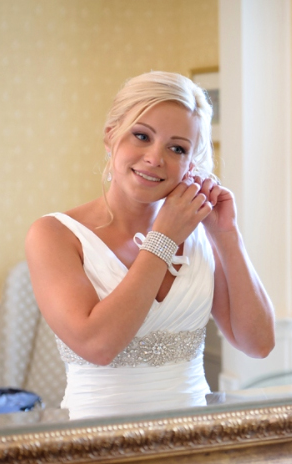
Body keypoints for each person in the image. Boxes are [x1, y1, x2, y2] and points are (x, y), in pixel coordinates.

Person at [25, 71, 275, 420]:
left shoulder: (200, 235)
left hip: (194, 441)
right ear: (111, 136)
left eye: (177, 148)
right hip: (98, 443)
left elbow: (259, 344)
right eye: (141, 136)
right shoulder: (53, 234)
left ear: (191, 163)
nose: (155, 158)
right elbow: (98, 346)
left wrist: (227, 237)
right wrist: (163, 239)